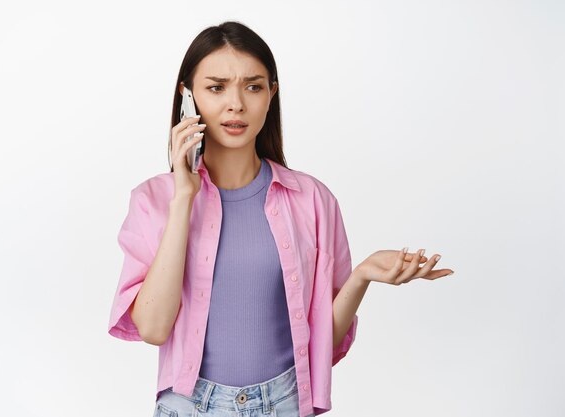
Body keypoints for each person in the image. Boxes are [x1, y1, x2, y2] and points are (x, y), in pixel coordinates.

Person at [107, 21, 454, 417]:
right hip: (189, 406)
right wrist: (184, 194)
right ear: (187, 97)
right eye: (216, 87)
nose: (235, 104)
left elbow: (323, 343)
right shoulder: (154, 200)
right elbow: (152, 328)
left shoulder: (313, 201)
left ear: (271, 94)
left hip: (285, 403)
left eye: (253, 87)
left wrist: (361, 276)